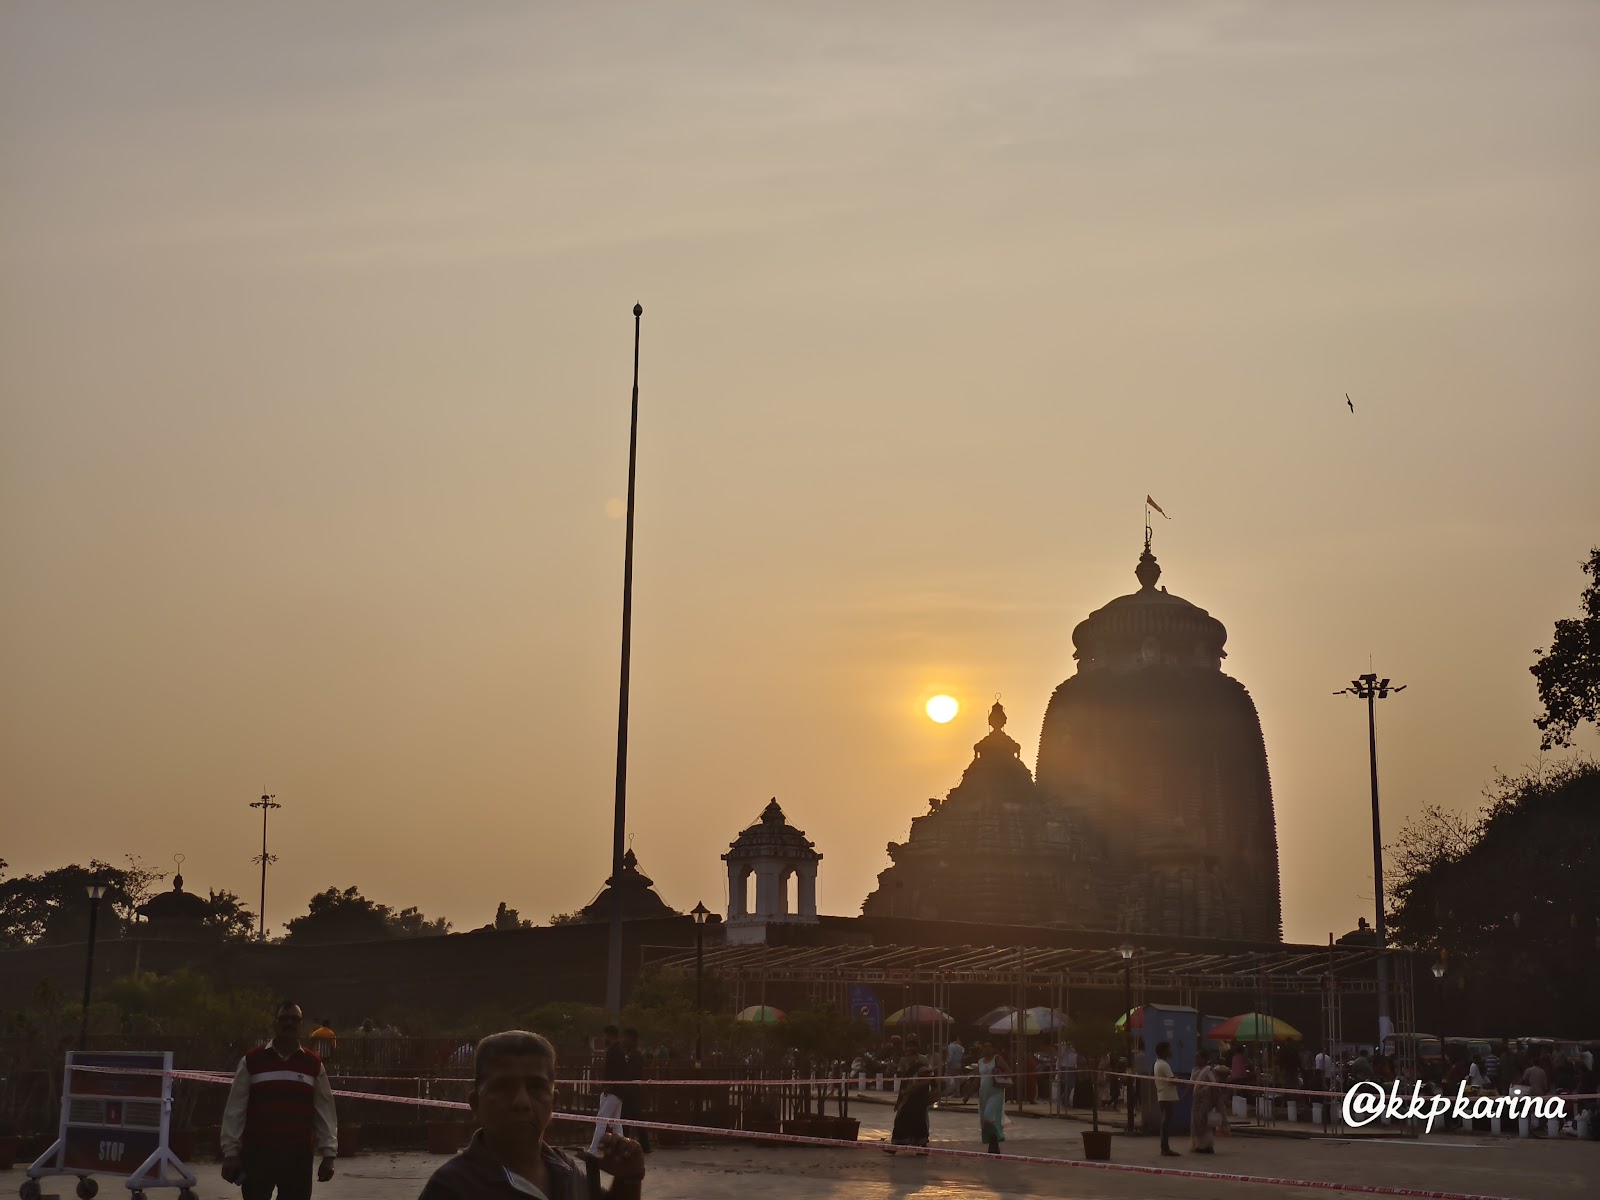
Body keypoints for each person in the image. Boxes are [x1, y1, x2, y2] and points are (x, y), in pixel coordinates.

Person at [419, 1030, 643, 1199]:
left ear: (553, 1103)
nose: (522, 1102)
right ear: (476, 1104)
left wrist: (628, 1180)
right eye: (504, 1087)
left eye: (536, 1088)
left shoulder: (565, 1170)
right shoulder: (452, 1188)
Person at [221, 1000, 338, 1200]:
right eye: (284, 1018)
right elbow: (235, 1110)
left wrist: (329, 1155)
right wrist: (230, 1153)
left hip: (298, 1156)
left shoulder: (313, 1064)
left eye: (295, 1019)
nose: (290, 1023)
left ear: (301, 1025)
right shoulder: (252, 1061)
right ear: (274, 1024)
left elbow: (325, 1111)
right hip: (258, 1154)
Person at [588, 1026, 626, 1155]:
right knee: (616, 1123)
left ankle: (593, 1150)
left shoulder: (614, 1051)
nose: (604, 1038)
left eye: (606, 1035)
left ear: (610, 1035)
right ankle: (622, 1148)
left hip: (612, 1090)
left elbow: (614, 1071)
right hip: (618, 1091)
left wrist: (608, 1086)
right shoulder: (618, 1051)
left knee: (601, 1120)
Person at [889, 1062, 936, 1152]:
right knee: (901, 1121)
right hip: (908, 1102)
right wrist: (900, 1101)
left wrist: (910, 1090)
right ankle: (896, 1145)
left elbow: (930, 1082)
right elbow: (902, 1089)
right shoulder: (908, 1072)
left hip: (919, 1102)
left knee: (919, 1123)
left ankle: (921, 1145)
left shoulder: (922, 1069)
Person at [618, 1029, 651, 1155]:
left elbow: (633, 1073)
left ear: (632, 1039)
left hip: (632, 1091)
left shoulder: (635, 1055)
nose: (624, 1041)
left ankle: (632, 1144)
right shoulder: (630, 1054)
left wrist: (627, 1087)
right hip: (630, 1090)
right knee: (630, 1119)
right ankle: (641, 1144)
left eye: (626, 1038)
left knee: (629, 1119)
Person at [1189, 1050, 1227, 1154]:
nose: (1196, 1060)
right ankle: (1197, 1145)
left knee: (1205, 1124)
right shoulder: (1194, 1070)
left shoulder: (1208, 1070)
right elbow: (1191, 1085)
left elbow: (1214, 1085)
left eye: (1198, 1057)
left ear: (1204, 1059)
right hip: (1196, 1101)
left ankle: (1206, 1146)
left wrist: (1205, 1090)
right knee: (1196, 1124)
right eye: (1195, 1057)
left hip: (1206, 1101)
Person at [976, 1042, 1009, 1154]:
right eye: (985, 1046)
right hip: (983, 1094)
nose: (986, 1048)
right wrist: (967, 1094)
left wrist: (999, 1072)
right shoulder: (980, 1062)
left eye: (989, 1046)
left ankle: (997, 1138)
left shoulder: (997, 1059)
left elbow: (1008, 1071)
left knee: (989, 1117)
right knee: (985, 1121)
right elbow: (977, 1078)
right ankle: (992, 1143)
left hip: (996, 1093)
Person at [1153, 1041, 1180, 1157]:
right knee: (1165, 1123)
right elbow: (1172, 1080)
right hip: (1167, 1097)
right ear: (1164, 1051)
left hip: (1163, 1096)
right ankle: (1165, 1148)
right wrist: (1179, 1080)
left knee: (1165, 1123)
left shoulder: (1158, 1063)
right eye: (1169, 1049)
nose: (1171, 1051)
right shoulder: (1164, 1064)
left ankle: (1165, 1147)